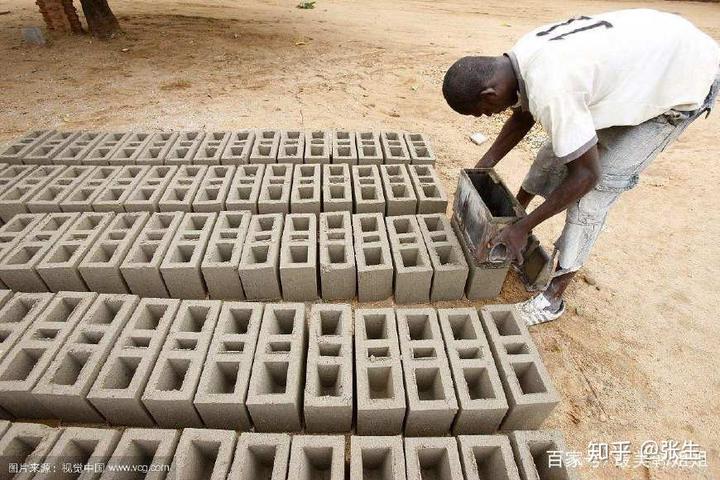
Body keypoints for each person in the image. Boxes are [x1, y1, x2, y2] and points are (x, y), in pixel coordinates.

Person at [442, 9, 719, 325]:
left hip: (684, 77)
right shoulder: (521, 58)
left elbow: (587, 175)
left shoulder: (553, 86)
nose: (487, 118)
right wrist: (482, 168)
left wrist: (523, 228)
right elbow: (523, 115)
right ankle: (511, 217)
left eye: (481, 112)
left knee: (595, 189)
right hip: (652, 52)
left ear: (490, 94)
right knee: (557, 150)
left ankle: (553, 297)